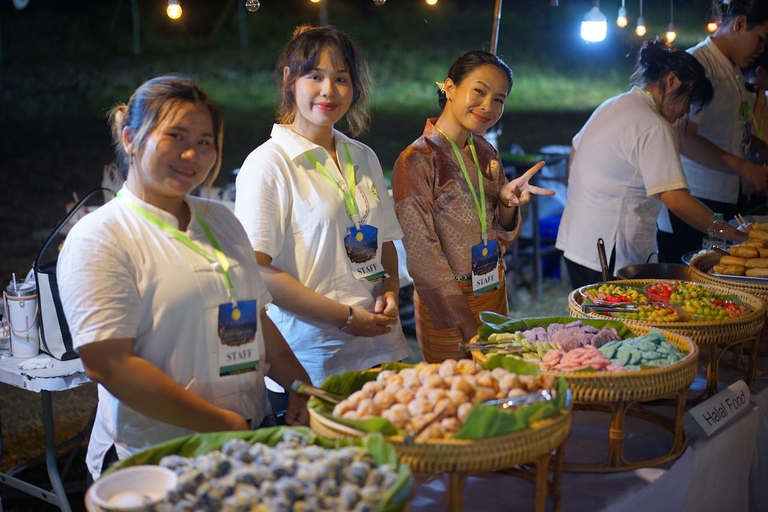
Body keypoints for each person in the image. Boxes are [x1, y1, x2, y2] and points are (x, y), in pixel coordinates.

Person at [57, 76, 310, 480]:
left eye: (205, 141)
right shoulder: (101, 236)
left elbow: (255, 317)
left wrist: (299, 383)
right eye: (176, 136)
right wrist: (220, 423)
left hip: (243, 439)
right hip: (157, 456)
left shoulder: (221, 221)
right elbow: (110, 364)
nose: (191, 153)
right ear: (130, 139)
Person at [235, 25, 410, 388]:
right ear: (290, 80)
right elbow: (258, 271)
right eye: (315, 76)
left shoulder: (363, 156)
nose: (328, 90)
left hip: (379, 347)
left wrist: (391, 291)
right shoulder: (268, 164)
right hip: (310, 360)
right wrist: (344, 317)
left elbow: (386, 242)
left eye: (341, 78)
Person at [392, 50, 554, 363]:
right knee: (456, 396)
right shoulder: (416, 160)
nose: (488, 106)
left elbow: (501, 236)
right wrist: (466, 324)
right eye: (479, 91)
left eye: (499, 99)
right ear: (449, 88)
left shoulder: (485, 151)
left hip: (492, 288)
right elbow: (422, 254)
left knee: (497, 384)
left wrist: (507, 204)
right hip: (447, 304)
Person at [556, 40, 747, 289]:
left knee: (592, 325)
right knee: (620, 327)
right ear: (672, 81)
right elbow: (677, 201)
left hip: (577, 244)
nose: (687, 111)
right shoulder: (654, 125)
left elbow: (575, 150)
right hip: (612, 255)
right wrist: (733, 235)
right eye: (690, 100)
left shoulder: (614, 104)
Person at [657, 0, 768, 264]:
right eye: (761, 39)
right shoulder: (699, 65)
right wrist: (742, 167)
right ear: (740, 24)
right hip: (694, 202)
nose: (762, 49)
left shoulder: (733, 71)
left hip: (725, 198)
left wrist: (758, 149)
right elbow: (684, 138)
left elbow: (728, 129)